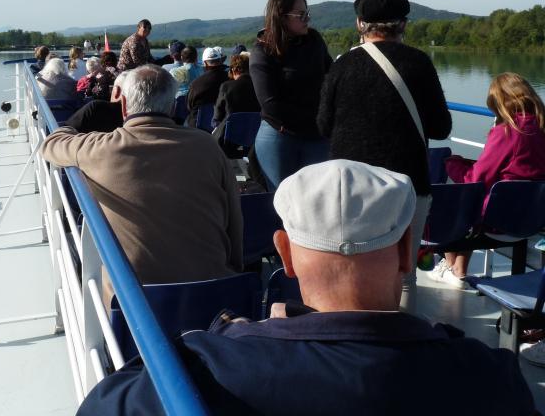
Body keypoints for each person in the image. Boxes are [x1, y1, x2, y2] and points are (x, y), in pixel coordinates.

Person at [75, 160, 535, 416]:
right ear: (405, 252)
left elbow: (98, 409)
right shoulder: (488, 373)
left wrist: (237, 331)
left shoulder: (209, 369)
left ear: (286, 256)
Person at [41, 64, 243, 298]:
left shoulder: (101, 148)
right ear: (171, 105)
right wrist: (234, 270)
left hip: (138, 303)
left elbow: (51, 144)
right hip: (215, 293)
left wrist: (70, 128)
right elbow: (234, 221)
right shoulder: (208, 146)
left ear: (124, 105)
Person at [317, 0, 451, 312]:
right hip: (408, 185)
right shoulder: (419, 63)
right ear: (403, 24)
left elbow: (323, 125)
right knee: (404, 275)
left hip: (352, 189)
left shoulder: (342, 65)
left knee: (353, 270)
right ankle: (403, 349)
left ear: (360, 24)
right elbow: (440, 128)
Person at [430, 72, 545, 287]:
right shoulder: (540, 128)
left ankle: (454, 269)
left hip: (498, 222)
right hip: (531, 219)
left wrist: (452, 163)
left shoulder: (508, 132)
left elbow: (476, 178)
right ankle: (457, 268)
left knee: (454, 197)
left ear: (500, 102)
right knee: (481, 197)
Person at [250, 0, 332, 191]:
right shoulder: (262, 51)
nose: (307, 19)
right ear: (281, 17)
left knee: (318, 198)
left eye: (308, 13)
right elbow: (270, 105)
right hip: (279, 136)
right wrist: (317, 119)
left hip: (317, 136)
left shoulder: (314, 40)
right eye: (301, 15)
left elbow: (332, 75)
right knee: (281, 202)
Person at [212, 53, 260, 157]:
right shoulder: (259, 85)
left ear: (234, 70)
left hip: (229, 139)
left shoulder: (226, 86)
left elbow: (217, 116)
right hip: (255, 135)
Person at [187, 47, 229, 128]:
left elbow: (189, 106)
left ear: (205, 64)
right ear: (220, 61)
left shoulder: (196, 84)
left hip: (199, 130)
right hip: (223, 129)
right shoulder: (230, 80)